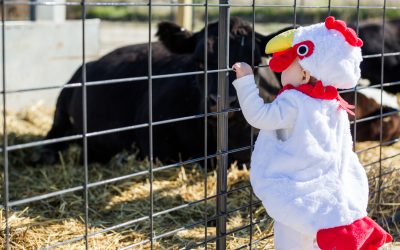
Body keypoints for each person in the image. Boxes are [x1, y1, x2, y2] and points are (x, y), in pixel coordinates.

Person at [232, 16, 392, 250]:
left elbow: (259, 116)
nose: (281, 74)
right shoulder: (334, 103)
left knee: (291, 241)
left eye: (286, 68)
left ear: (304, 75)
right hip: (327, 195)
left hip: (295, 192)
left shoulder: (294, 101)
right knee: (316, 240)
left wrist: (245, 81)